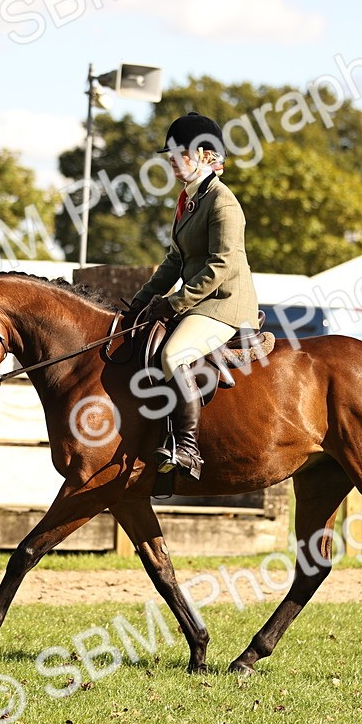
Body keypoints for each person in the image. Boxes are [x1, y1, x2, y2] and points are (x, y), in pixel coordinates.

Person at [130, 112, 260, 480]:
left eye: (179, 153)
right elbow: (176, 260)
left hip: (224, 302)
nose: (171, 160)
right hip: (200, 301)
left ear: (205, 154)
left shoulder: (223, 203)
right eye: (169, 154)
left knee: (173, 354)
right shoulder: (189, 198)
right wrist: (142, 298)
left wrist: (172, 303)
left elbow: (220, 265)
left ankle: (187, 448)